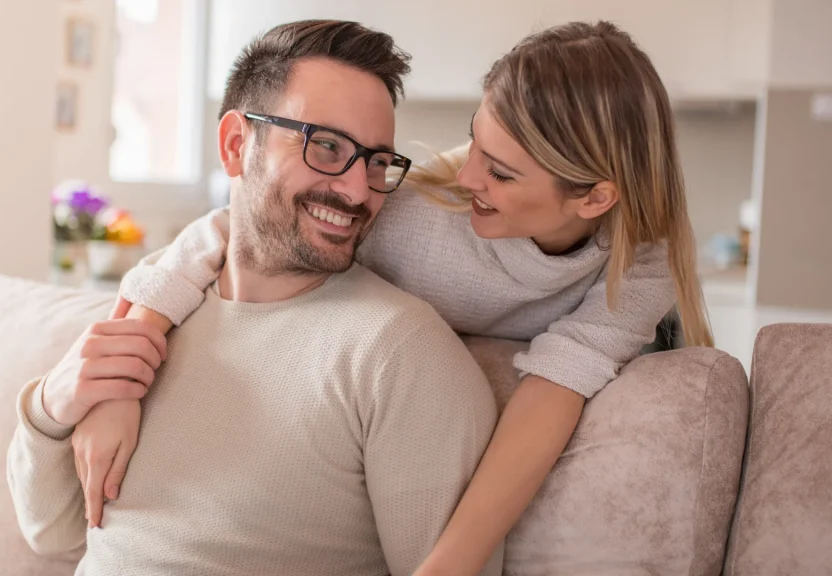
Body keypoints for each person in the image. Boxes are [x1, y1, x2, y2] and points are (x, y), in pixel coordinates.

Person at [73, 19, 716, 576]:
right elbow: (231, 228)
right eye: (474, 142)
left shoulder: (644, 255)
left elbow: (557, 389)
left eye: (499, 171)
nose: (465, 178)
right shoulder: (414, 214)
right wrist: (118, 382)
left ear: (595, 198)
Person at [7, 20, 504, 576]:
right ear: (236, 144)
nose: (359, 189)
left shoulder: (400, 351)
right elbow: (49, 532)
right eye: (327, 146)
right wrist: (53, 405)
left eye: (376, 162)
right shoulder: (158, 300)